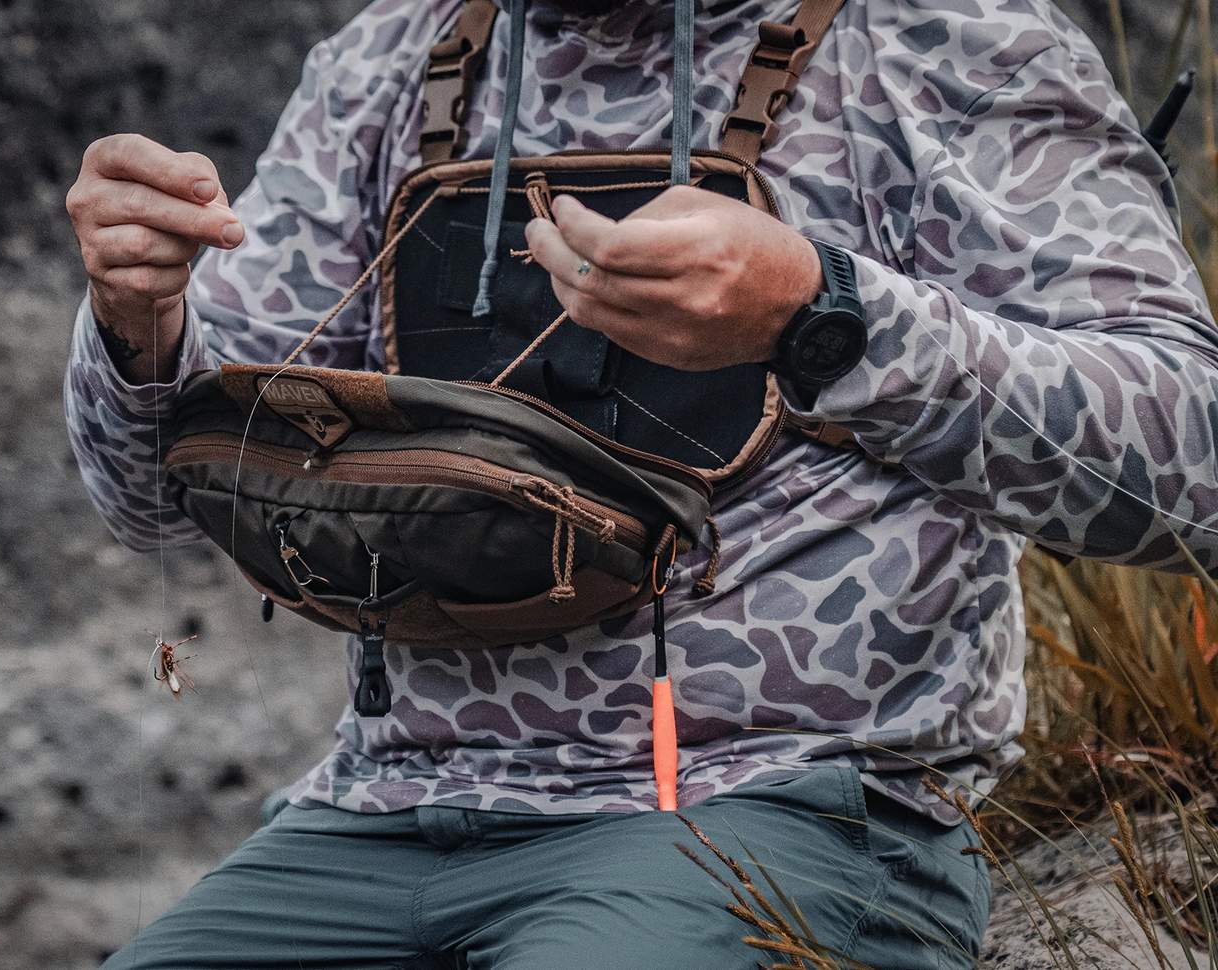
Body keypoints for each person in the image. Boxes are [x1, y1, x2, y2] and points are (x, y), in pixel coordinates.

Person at [63, 0, 1218, 965]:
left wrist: (822, 316)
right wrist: (139, 322)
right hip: (374, 812)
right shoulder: (392, 57)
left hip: (774, 805)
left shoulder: (945, 41)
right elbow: (155, 503)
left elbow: (1194, 464)